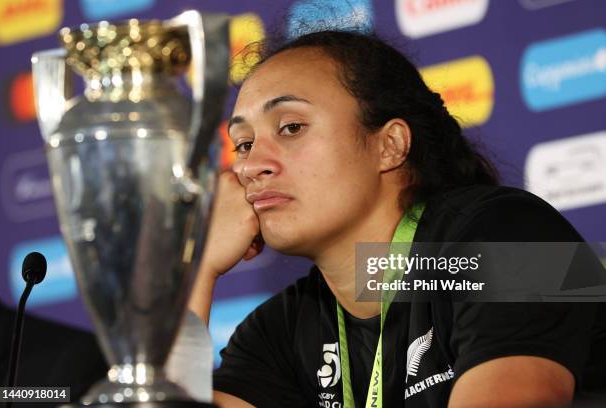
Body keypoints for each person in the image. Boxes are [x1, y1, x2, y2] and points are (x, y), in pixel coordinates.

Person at [188, 30, 606, 407]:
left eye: (292, 127)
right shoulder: (284, 328)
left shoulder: (513, 235)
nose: (250, 166)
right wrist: (197, 269)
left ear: (390, 145)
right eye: (243, 144)